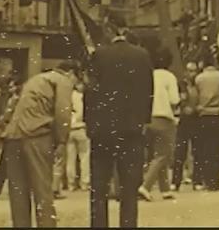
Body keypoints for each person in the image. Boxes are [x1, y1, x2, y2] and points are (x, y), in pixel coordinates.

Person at [86, 25, 153, 229]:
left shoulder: (99, 55)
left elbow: (90, 91)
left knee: (99, 186)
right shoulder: (142, 55)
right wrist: (144, 121)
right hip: (131, 129)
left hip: (103, 130)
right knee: (129, 188)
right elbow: (148, 91)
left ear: (110, 30)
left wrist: (90, 124)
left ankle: (99, 225)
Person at [3, 61, 74, 228]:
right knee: (42, 189)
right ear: (71, 73)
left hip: (13, 135)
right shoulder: (62, 81)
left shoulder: (35, 79)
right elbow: (63, 112)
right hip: (36, 135)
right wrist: (62, 141)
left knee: (18, 191)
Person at [140, 50, 181, 201]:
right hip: (164, 117)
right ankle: (146, 186)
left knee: (156, 154)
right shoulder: (169, 77)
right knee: (164, 154)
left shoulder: (147, 75)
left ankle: (165, 188)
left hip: (147, 118)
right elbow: (174, 99)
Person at [193, 53, 219, 191]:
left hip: (204, 115)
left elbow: (195, 96)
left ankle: (207, 179)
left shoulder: (199, 78)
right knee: (218, 149)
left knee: (206, 149)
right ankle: (216, 179)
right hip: (218, 113)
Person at [171, 61, 200, 192]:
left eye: (194, 71)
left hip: (196, 119)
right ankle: (176, 181)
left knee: (197, 151)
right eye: (189, 71)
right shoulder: (180, 85)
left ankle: (197, 180)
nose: (192, 74)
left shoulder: (198, 84)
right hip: (183, 120)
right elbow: (177, 100)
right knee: (180, 151)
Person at [63, 79, 90, 193]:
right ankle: (84, 183)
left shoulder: (68, 96)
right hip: (81, 128)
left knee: (70, 158)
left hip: (69, 129)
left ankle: (71, 183)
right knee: (84, 157)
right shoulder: (84, 97)